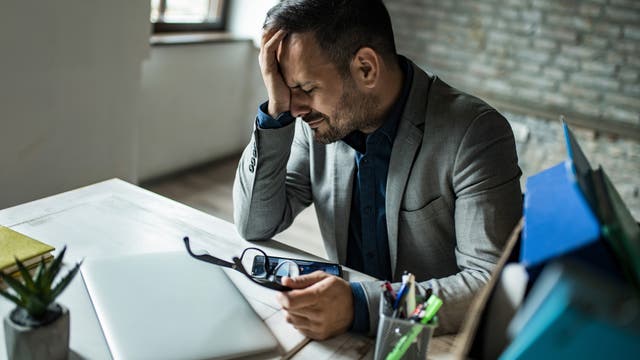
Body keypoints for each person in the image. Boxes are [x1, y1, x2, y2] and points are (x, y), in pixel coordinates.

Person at [233, 0, 522, 340]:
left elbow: (487, 283)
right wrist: (274, 111)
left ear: (366, 68)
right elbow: (255, 223)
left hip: (432, 338)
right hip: (343, 333)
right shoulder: (314, 124)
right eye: (285, 90)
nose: (294, 108)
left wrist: (359, 306)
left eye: (306, 89)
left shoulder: (474, 132)